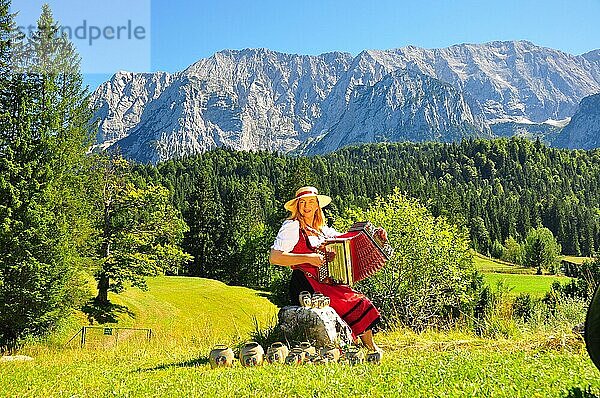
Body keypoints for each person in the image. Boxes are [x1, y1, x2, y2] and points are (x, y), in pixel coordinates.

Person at [269, 186, 386, 360]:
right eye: (302, 202)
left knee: (357, 299)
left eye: (310, 202)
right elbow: (275, 258)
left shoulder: (322, 230)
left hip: (325, 282)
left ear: (317, 205)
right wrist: (308, 258)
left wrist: (375, 236)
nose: (306, 206)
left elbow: (346, 240)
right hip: (305, 283)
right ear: (297, 206)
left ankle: (366, 346)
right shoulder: (292, 226)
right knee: (352, 302)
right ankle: (368, 347)